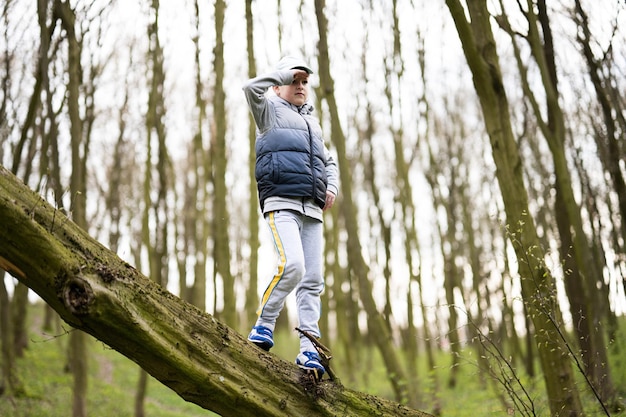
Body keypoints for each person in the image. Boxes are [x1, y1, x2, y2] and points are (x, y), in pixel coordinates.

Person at [242, 56, 339, 375]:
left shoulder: (313, 122)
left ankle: (310, 348)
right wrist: (281, 74)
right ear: (279, 84)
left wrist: (332, 186)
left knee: (312, 281)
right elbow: (249, 87)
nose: (300, 86)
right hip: (281, 201)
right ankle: (263, 325)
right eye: (294, 81)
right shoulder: (268, 110)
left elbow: (329, 160)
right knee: (292, 265)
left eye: (304, 82)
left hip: (312, 208)